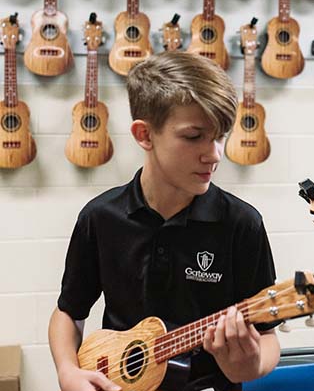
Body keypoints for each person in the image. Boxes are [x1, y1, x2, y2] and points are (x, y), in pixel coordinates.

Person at [48, 52, 280, 391]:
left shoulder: (242, 224)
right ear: (145, 135)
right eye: (193, 136)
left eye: (219, 136)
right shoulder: (101, 217)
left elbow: (268, 335)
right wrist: (68, 371)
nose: (214, 154)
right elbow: (68, 312)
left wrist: (250, 363)